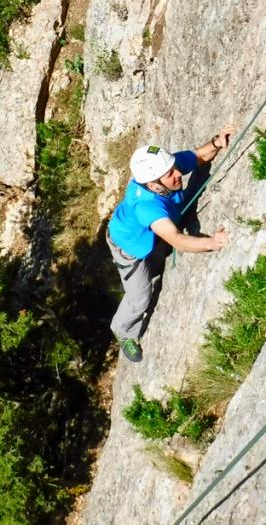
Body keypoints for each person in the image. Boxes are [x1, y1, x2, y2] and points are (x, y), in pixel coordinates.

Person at [106, 126, 235, 363]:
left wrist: (217, 142)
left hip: (147, 232)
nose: (178, 173)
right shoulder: (148, 207)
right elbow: (176, 239)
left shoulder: (162, 170)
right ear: (154, 185)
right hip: (128, 246)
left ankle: (155, 254)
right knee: (141, 296)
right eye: (171, 174)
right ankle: (123, 331)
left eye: (174, 168)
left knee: (156, 264)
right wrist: (213, 243)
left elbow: (196, 157)